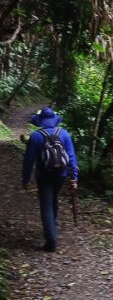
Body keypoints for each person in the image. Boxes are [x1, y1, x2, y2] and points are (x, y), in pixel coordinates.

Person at [22, 107, 78, 252]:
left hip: (44, 176)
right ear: (54, 119)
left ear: (40, 121)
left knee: (46, 204)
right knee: (53, 200)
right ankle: (52, 226)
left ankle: (51, 241)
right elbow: (71, 157)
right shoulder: (64, 134)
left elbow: (29, 160)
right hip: (61, 175)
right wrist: (74, 178)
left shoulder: (36, 136)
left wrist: (25, 179)